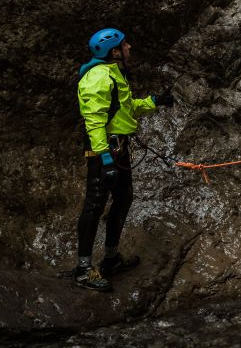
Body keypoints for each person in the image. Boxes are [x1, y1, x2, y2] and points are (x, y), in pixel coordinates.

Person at [73, 28, 175, 291]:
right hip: (103, 151)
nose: (129, 46)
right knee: (94, 206)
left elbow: (126, 109)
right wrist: (105, 159)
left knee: (123, 198)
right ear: (114, 52)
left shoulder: (113, 73)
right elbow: (93, 122)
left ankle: (111, 258)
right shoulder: (97, 77)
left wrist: (155, 102)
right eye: (124, 44)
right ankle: (83, 270)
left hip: (118, 149)